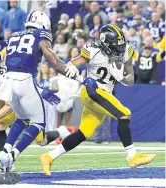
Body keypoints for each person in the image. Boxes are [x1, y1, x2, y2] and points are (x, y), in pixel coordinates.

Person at [0, 11, 93, 172]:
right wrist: (74, 74)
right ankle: (13, 155)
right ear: (44, 24)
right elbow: (56, 64)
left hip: (9, 80)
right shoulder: (41, 35)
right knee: (38, 123)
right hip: (25, 80)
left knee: (23, 118)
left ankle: (4, 152)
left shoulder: (14, 36)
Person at [39, 24, 156, 176]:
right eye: (115, 46)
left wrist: (124, 68)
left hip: (102, 94)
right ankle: (132, 156)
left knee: (83, 133)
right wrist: (78, 76)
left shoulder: (125, 52)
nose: (119, 49)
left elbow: (130, 81)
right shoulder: (92, 51)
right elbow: (71, 65)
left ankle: (48, 156)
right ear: (106, 44)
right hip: (92, 91)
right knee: (124, 114)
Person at [0, 48, 70, 166]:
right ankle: (6, 161)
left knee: (42, 141)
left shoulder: (5, 76)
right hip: (12, 104)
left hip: (26, 103)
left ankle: (60, 131)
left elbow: (10, 106)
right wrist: (0, 116)